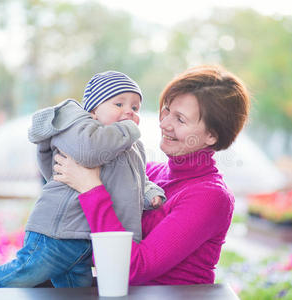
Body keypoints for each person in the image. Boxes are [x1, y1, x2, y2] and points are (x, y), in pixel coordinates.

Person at [53, 65, 251, 285]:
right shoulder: (147, 172)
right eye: (166, 110)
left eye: (180, 119)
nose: (164, 124)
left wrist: (90, 188)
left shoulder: (210, 196)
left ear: (212, 135)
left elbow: (131, 269)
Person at [0, 71, 165, 288]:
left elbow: (137, 177)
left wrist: (150, 193)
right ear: (93, 110)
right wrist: (127, 130)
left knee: (77, 291)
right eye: (119, 104)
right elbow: (89, 152)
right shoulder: (77, 130)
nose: (129, 113)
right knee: (25, 272)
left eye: (134, 108)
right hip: (57, 232)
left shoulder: (130, 146)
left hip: (86, 239)